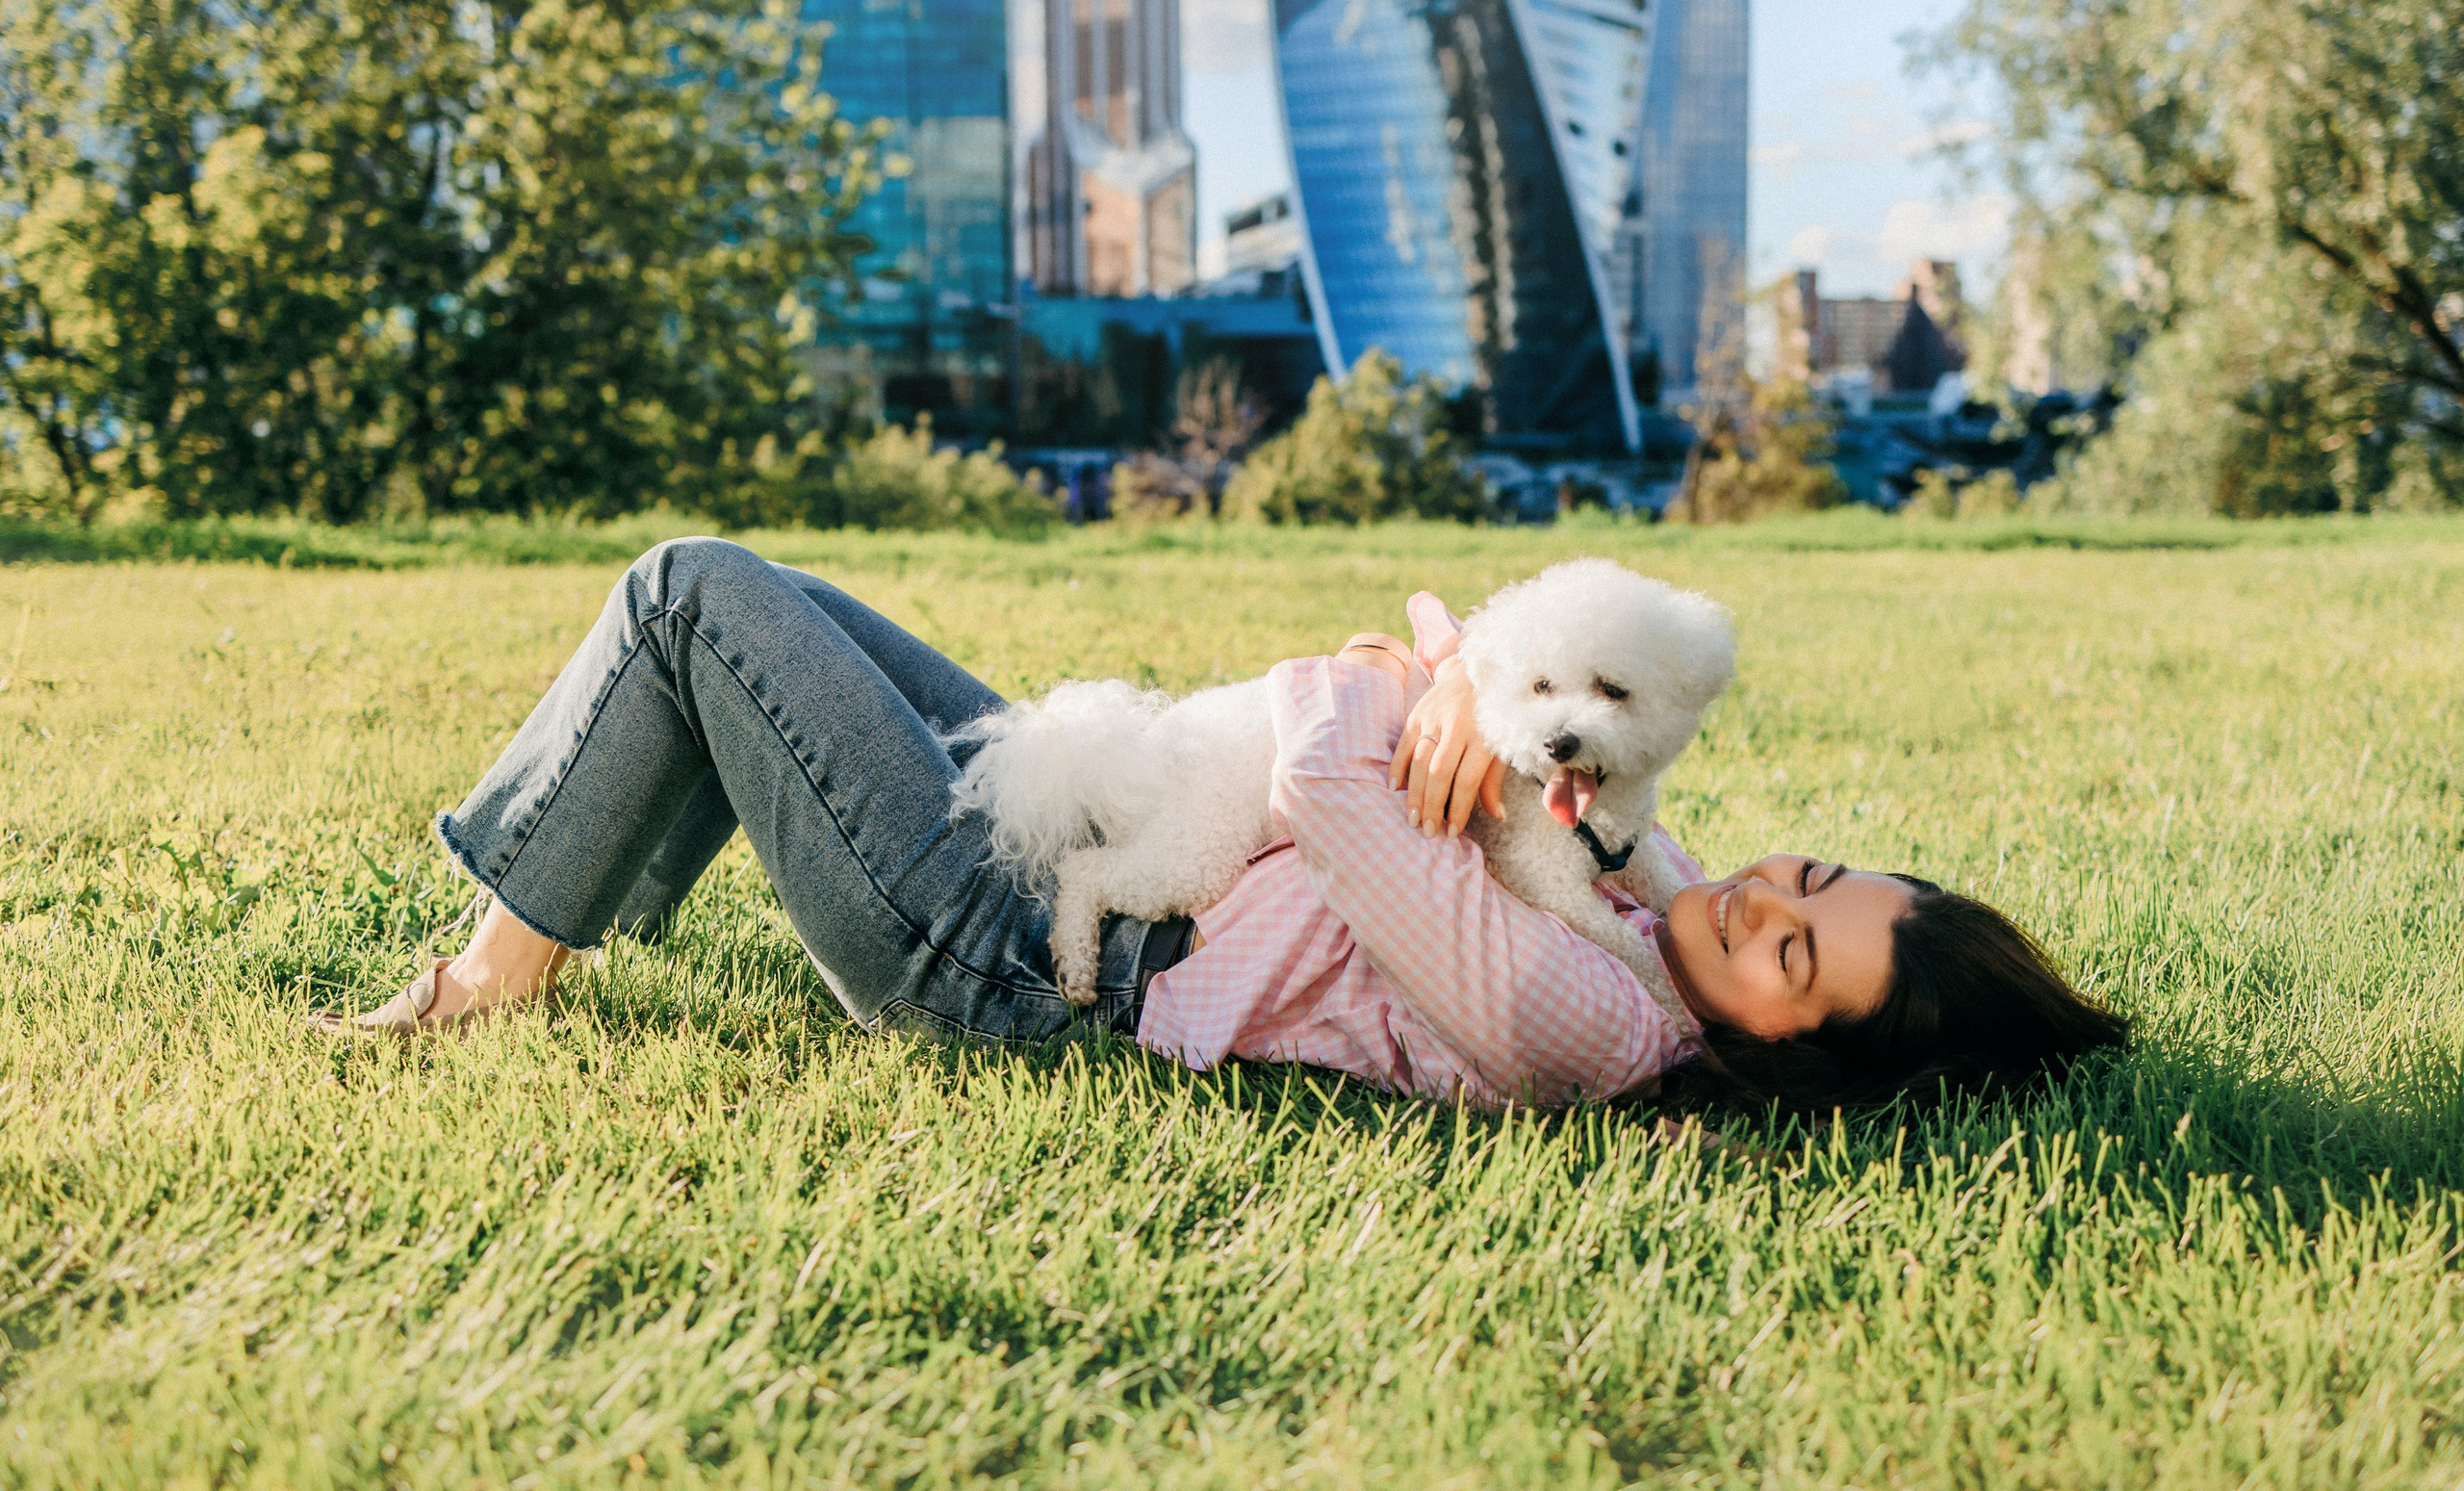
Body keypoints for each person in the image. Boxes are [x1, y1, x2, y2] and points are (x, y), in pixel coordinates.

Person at [317, 538, 2127, 1114]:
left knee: (692, 596)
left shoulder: (1593, 1023)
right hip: (1085, 833)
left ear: (1793, 1053)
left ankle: (502, 970)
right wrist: (1450, 688)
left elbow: (1344, 782)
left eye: (1796, 952)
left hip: (1010, 955)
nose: (1758, 898)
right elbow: (1503, 724)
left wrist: (1412, 681)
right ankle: (546, 918)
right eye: (1805, 878)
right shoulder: (1646, 906)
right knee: (752, 600)